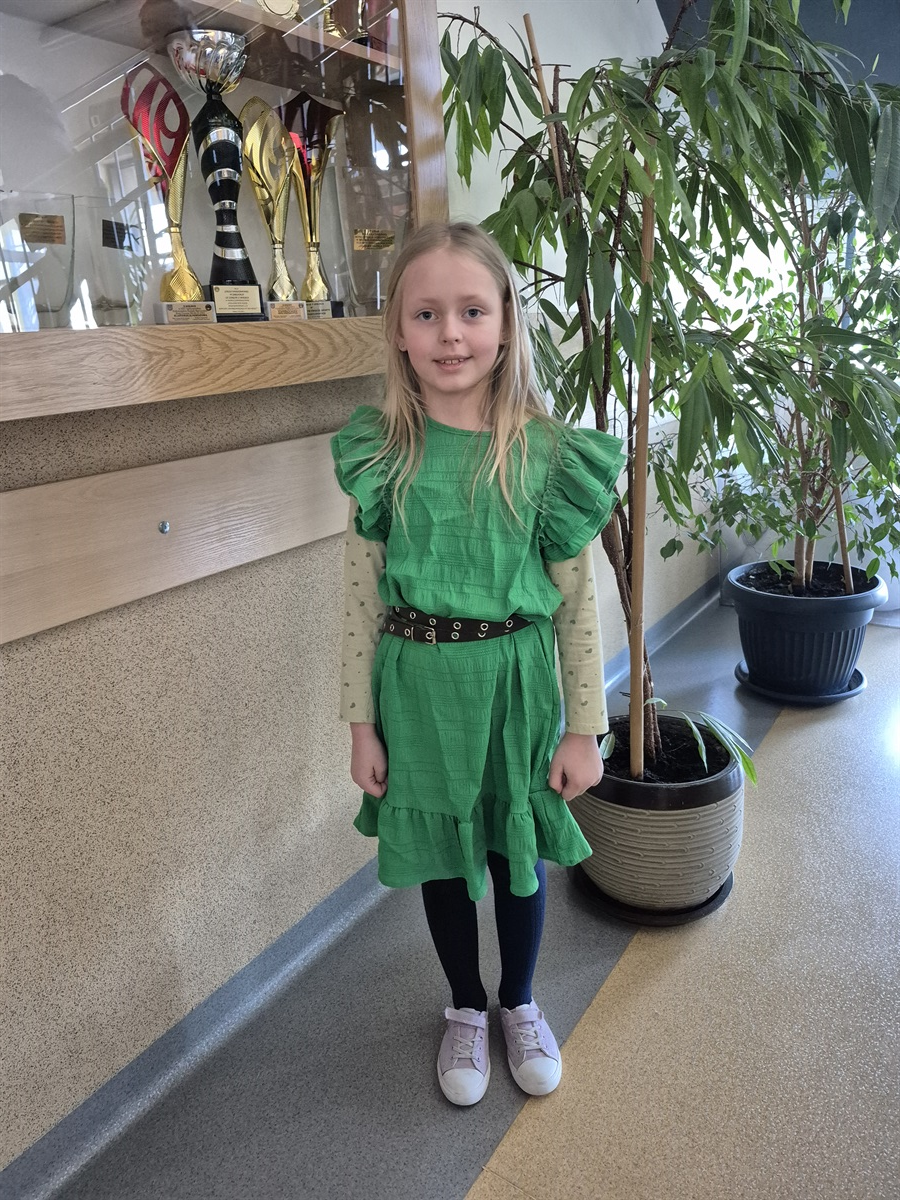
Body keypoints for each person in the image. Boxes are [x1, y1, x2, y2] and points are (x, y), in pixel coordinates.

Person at [330, 221, 625, 1107]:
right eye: (426, 314)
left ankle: (519, 1002)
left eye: (470, 311)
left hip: (517, 693)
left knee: (515, 852)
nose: (449, 334)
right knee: (442, 858)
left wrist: (584, 728)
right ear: (398, 330)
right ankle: (464, 1006)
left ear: (505, 323)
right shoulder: (383, 455)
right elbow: (359, 603)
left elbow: (577, 606)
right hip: (418, 695)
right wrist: (360, 725)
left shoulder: (546, 457)